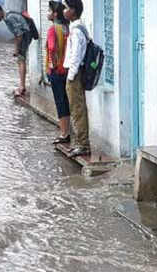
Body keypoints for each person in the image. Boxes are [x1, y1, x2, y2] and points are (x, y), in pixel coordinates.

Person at [63, 0, 90, 157]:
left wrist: (71, 76)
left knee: (77, 109)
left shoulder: (77, 30)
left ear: (73, 11)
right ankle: (80, 143)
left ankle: (83, 145)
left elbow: (76, 56)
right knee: (76, 109)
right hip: (74, 73)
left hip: (75, 74)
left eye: (66, 8)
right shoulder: (75, 27)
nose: (64, 11)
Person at [0, 3, 33, 98]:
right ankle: (22, 85)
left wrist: (16, 48)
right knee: (20, 60)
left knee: (21, 60)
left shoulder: (9, 18)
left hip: (25, 36)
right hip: (25, 35)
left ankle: (22, 87)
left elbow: (19, 34)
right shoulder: (8, 15)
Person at [46, 0, 71, 145]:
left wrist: (52, 67)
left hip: (57, 71)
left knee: (60, 101)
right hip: (67, 70)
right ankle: (67, 130)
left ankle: (64, 133)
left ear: (55, 14)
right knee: (66, 100)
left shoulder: (52, 29)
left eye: (49, 11)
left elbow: (52, 49)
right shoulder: (66, 27)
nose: (48, 13)